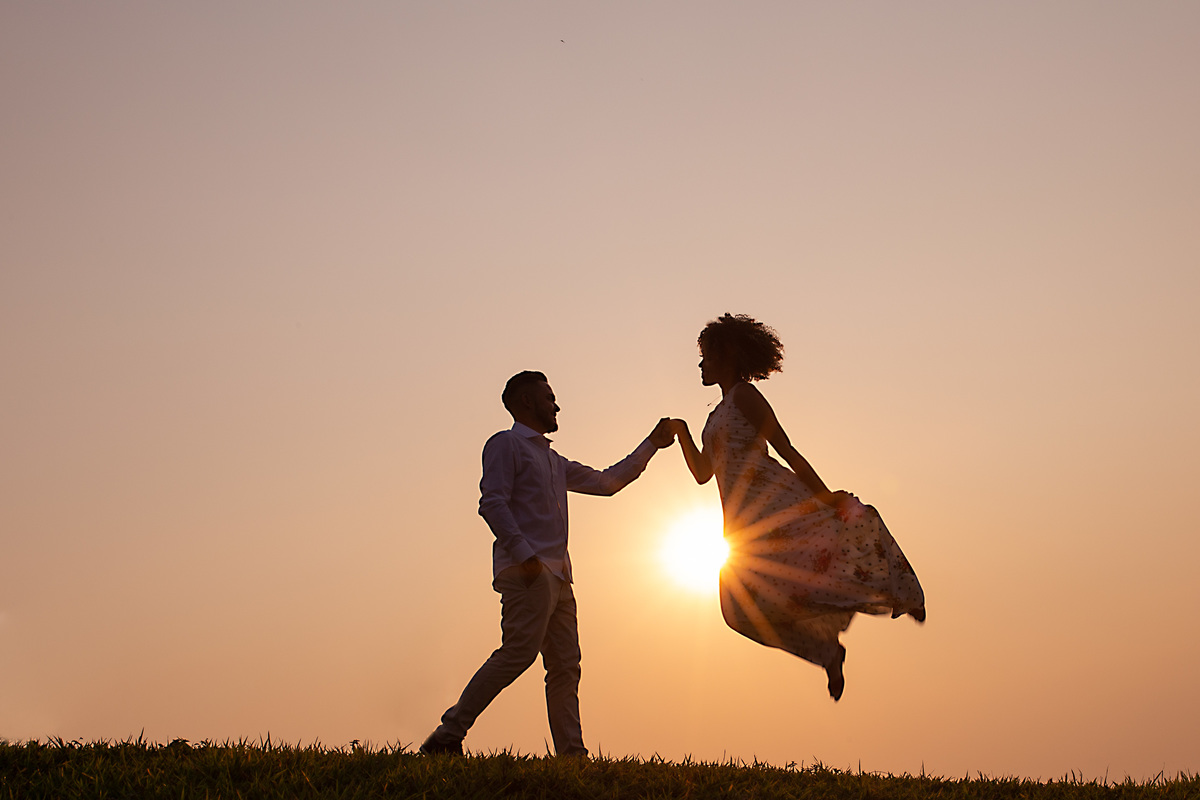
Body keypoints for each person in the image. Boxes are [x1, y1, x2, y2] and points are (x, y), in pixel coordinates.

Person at [669, 314, 924, 701]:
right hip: (739, 526)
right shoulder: (715, 415)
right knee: (737, 612)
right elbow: (703, 473)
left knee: (816, 569)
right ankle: (826, 652)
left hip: (774, 509)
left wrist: (825, 496)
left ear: (728, 355)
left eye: (707, 355)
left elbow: (786, 450)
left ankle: (903, 592)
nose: (701, 364)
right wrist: (681, 432)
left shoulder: (745, 397)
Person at [420, 370, 675, 756]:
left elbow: (606, 483)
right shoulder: (506, 444)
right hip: (529, 571)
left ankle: (572, 757)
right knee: (518, 653)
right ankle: (446, 736)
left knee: (565, 665)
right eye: (549, 398)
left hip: (558, 575)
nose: (556, 406)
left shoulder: (554, 460)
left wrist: (652, 444)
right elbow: (492, 502)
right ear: (526, 401)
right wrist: (526, 558)